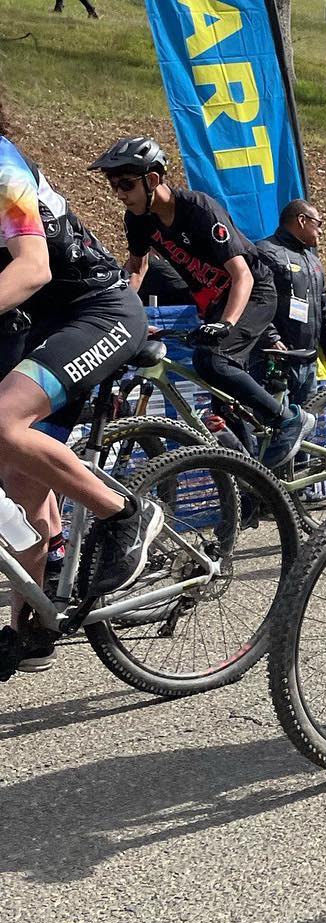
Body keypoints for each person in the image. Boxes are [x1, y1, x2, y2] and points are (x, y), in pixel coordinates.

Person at [0, 109, 161, 669]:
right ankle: (35, 622)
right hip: (42, 326)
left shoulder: (1, 167)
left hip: (100, 311)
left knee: (2, 423)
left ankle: (123, 515)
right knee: (18, 472)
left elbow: (32, 268)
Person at [90, 137, 314, 469]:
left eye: (126, 184)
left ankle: (287, 419)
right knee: (218, 397)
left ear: (153, 179)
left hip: (253, 292)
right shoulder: (138, 219)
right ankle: (250, 476)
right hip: (214, 301)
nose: (119, 194)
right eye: (113, 186)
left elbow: (242, 276)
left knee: (212, 361)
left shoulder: (199, 209)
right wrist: (115, 312)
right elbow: (137, 269)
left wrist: (226, 323)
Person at [254, 199, 326, 405]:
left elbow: (323, 308)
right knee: (273, 421)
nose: (321, 231)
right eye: (318, 224)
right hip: (274, 359)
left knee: (308, 420)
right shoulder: (265, 251)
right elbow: (254, 301)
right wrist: (270, 338)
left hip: (308, 362)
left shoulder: (313, 261)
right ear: (302, 220)